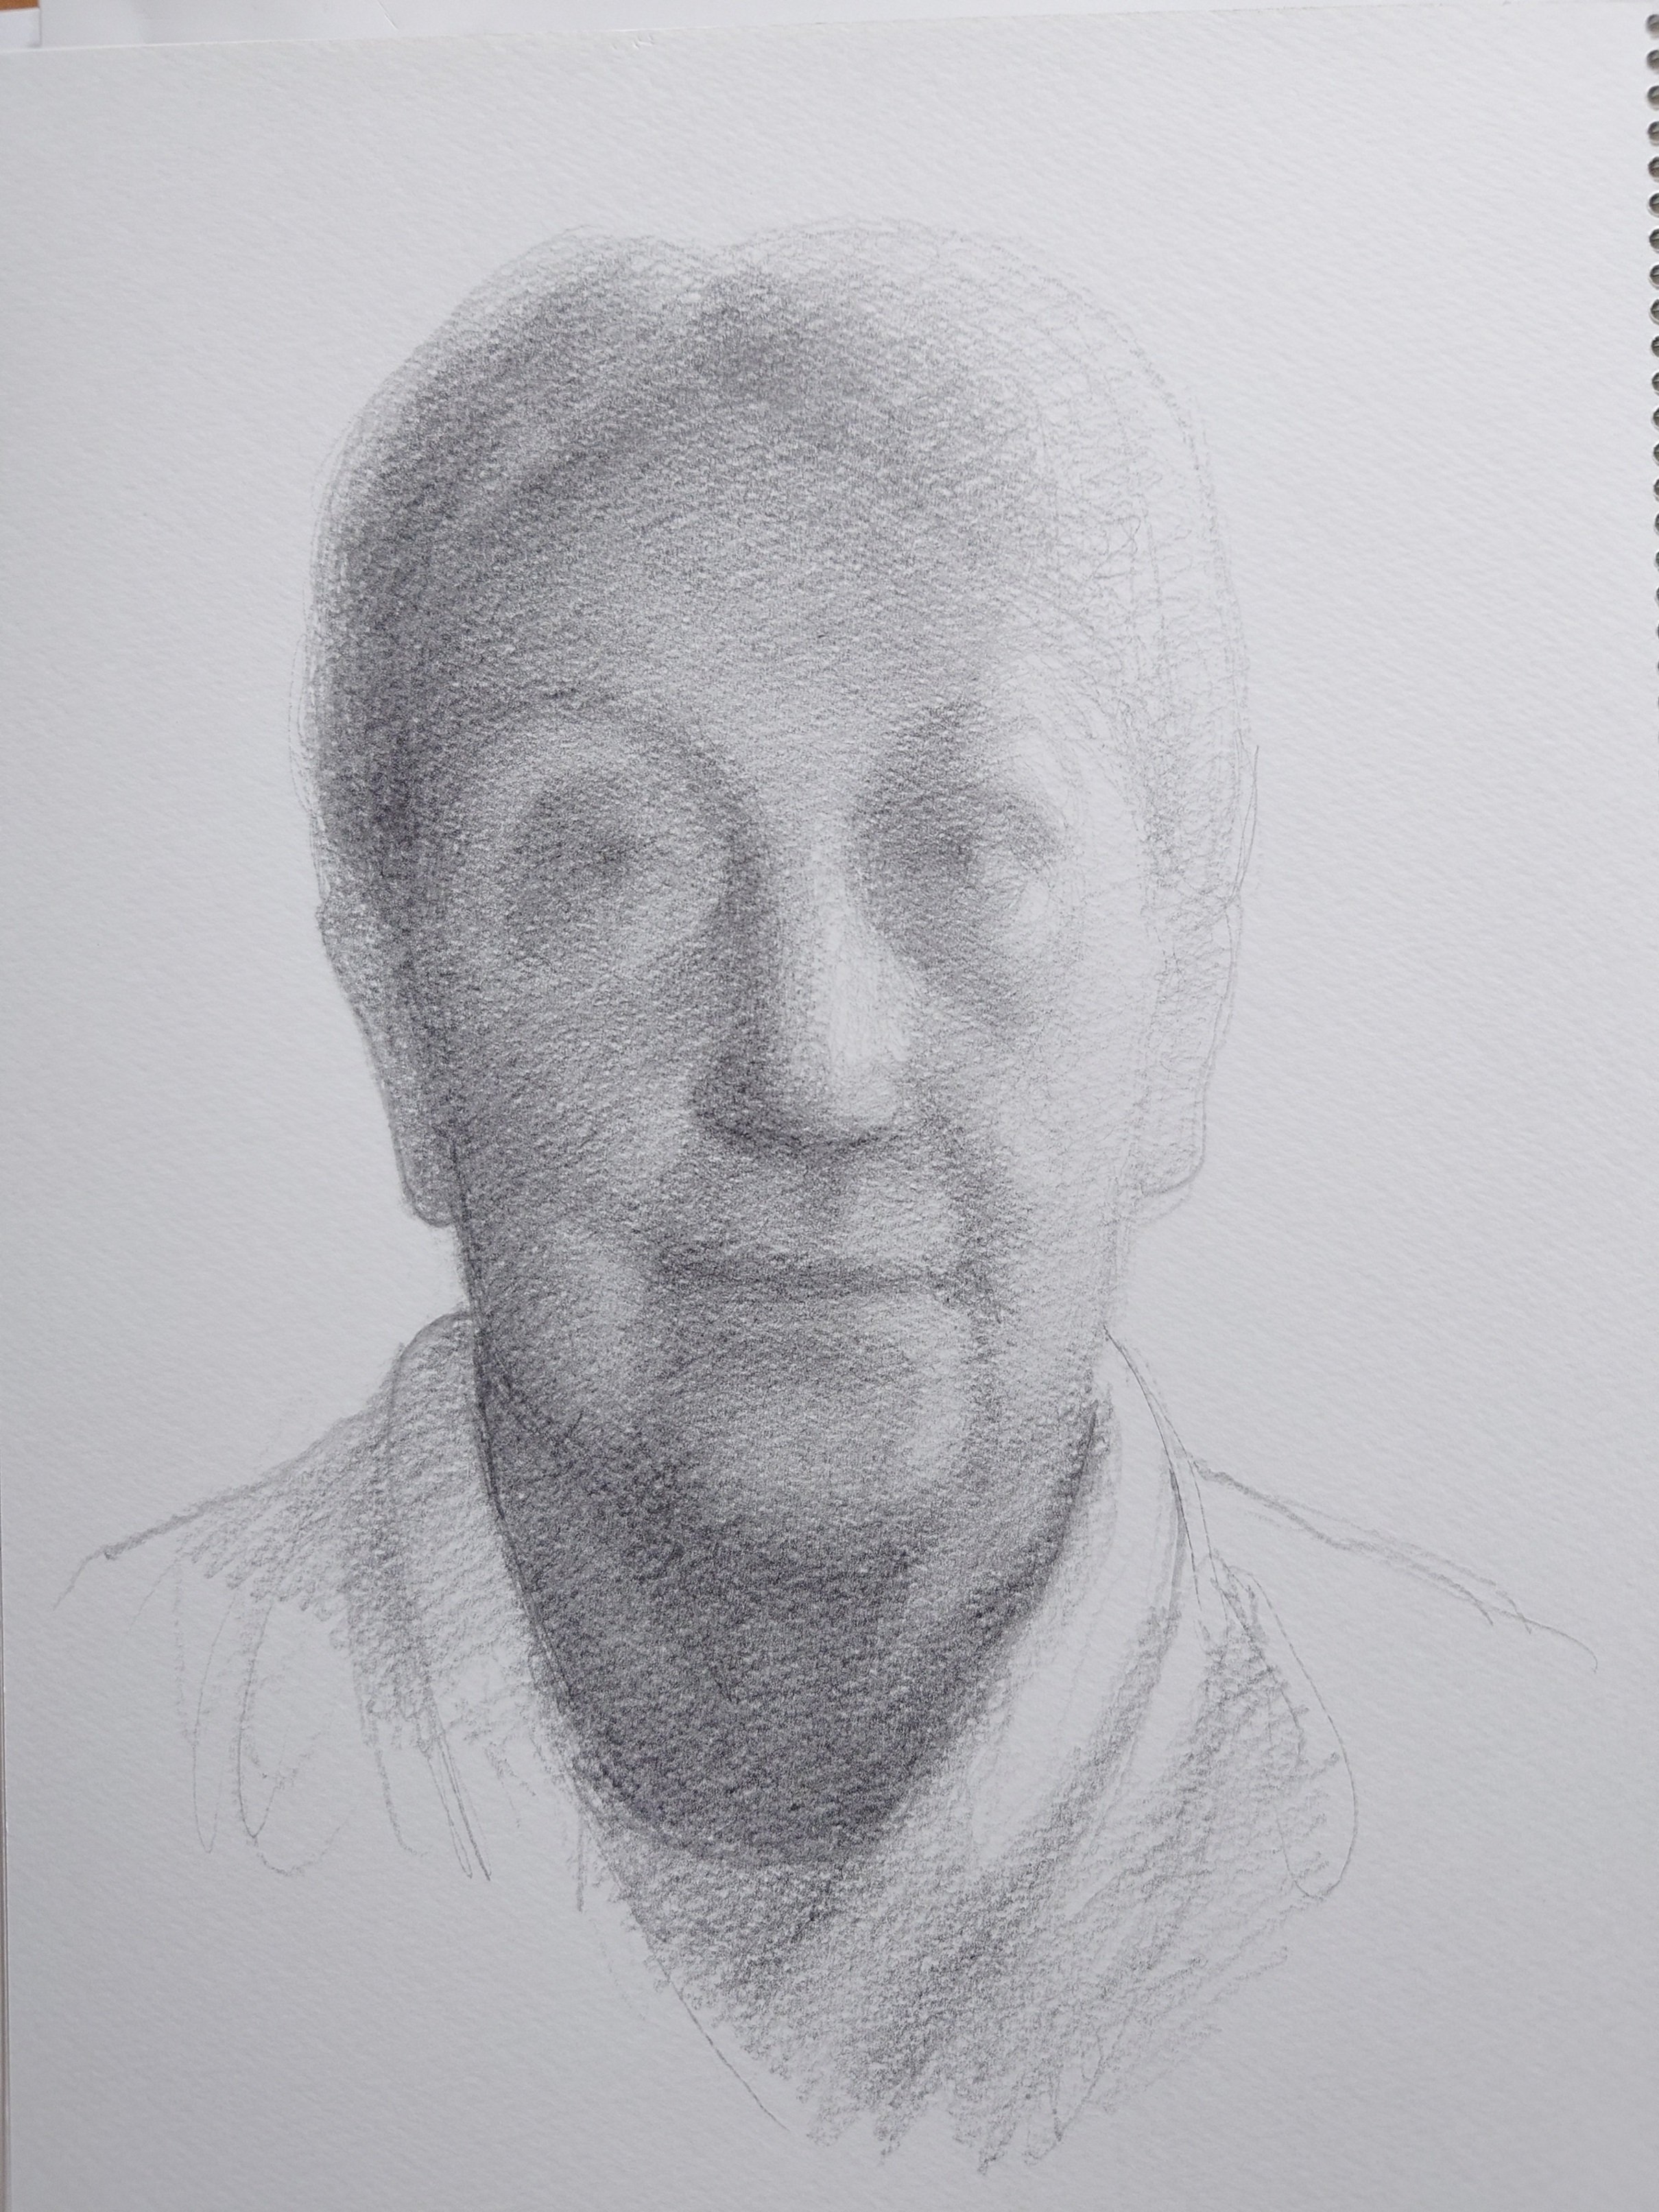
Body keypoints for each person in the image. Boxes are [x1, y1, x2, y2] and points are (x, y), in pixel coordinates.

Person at [71, 228, 1529, 2162]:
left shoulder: (1529, 1800)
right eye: (607, 856)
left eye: (966, 845)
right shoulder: (76, 1748)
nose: (812, 1067)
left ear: (1181, 1003)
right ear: (404, 1029)